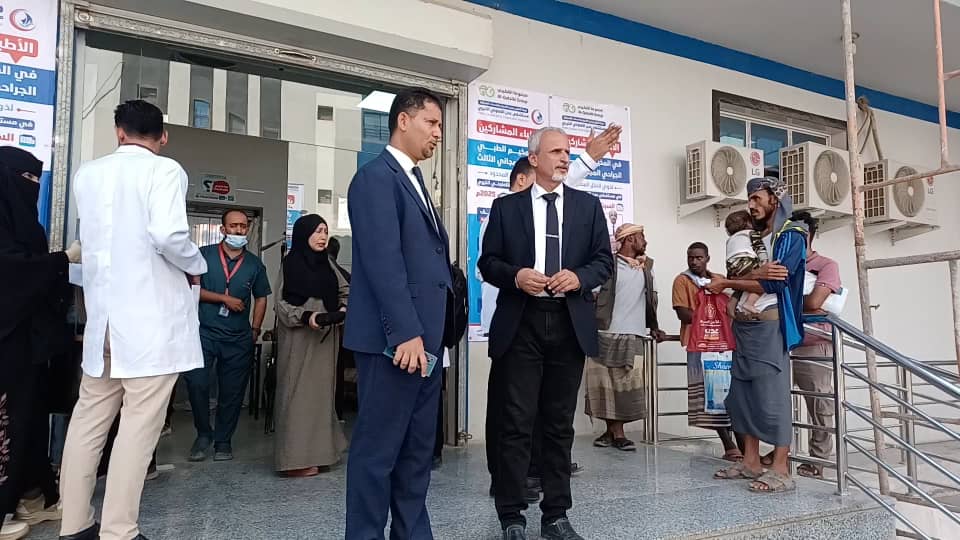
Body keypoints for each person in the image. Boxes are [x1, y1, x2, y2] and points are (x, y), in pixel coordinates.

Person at [60, 100, 208, 540]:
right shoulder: (164, 170)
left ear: (119, 132)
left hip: (104, 320)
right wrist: (196, 264)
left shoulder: (87, 174)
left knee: (88, 422)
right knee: (138, 428)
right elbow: (168, 234)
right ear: (163, 137)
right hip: (150, 326)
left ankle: (74, 524)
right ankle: (118, 531)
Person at [479, 126, 613, 540]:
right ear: (534, 159)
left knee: (558, 425)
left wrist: (579, 277)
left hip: (568, 324)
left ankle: (556, 515)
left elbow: (603, 262)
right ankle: (511, 516)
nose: (564, 158)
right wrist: (516, 276)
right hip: (522, 323)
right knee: (516, 422)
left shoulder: (588, 207)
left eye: (568, 152)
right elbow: (488, 262)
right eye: (556, 151)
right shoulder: (506, 208)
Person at [344, 87, 456, 540]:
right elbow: (382, 261)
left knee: (416, 453)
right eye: (432, 123)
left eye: (441, 126)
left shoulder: (415, 181)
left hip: (425, 345)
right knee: (378, 454)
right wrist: (406, 331)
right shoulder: (376, 178)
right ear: (404, 121)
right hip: (394, 343)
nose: (437, 134)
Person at [708, 176, 807, 494]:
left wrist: (727, 283)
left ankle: (781, 468)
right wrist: (752, 274)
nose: (751, 205)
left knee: (772, 396)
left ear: (775, 200)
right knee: (742, 396)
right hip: (744, 327)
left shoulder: (791, 235)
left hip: (769, 326)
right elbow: (745, 273)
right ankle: (750, 461)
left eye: (758, 198)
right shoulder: (751, 237)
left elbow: (776, 282)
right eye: (749, 199)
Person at [0, 148, 79, 540]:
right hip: (6, 343)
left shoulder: (22, 222)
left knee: (29, 420)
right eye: (25, 178)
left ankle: (32, 497)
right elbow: (12, 273)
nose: (31, 186)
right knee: (7, 423)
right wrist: (63, 259)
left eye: (36, 179)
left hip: (27, 344)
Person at [185, 209, 271, 462]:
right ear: (223, 229)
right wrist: (223, 299)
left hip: (238, 337)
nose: (239, 230)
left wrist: (255, 329)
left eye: (243, 226)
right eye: (233, 226)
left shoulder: (254, 264)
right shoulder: (204, 255)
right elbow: (191, 290)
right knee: (197, 383)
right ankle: (203, 434)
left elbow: (261, 298)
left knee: (232, 392)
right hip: (204, 333)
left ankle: (223, 440)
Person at [274, 214, 349, 477]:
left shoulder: (328, 263)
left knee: (322, 397)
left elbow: (346, 290)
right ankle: (293, 460)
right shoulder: (290, 263)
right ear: (304, 234)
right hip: (299, 338)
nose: (322, 237)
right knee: (297, 396)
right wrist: (306, 316)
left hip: (325, 339)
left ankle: (321, 454)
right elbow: (281, 304)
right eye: (317, 231)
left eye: (325, 232)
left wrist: (342, 309)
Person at [588, 224, 665, 452]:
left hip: (634, 333)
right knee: (604, 386)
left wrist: (654, 326)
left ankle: (613, 433)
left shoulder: (647, 266)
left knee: (627, 386)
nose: (645, 241)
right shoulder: (607, 264)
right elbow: (592, 294)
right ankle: (617, 434)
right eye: (642, 237)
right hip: (604, 332)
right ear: (630, 239)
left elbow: (652, 299)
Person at [671, 243, 743, 461]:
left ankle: (744, 448)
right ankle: (729, 445)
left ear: (707, 258)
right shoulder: (682, 281)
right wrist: (709, 316)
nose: (694, 261)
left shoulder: (719, 280)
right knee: (710, 396)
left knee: (730, 395)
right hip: (699, 345)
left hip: (724, 345)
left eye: (699, 258)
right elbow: (683, 313)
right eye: (690, 257)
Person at [783, 210, 841, 479]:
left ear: (809, 235)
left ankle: (817, 461)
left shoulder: (826, 265)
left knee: (819, 405)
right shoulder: (783, 263)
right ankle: (782, 454)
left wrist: (787, 301)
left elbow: (815, 302)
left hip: (813, 343)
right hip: (783, 343)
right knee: (779, 402)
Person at [725, 210, 764, 314]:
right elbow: (759, 247)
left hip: (732, 266)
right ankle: (749, 303)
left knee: (742, 284)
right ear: (748, 222)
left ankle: (732, 303)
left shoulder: (731, 239)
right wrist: (764, 262)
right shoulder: (751, 233)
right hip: (746, 262)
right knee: (763, 283)